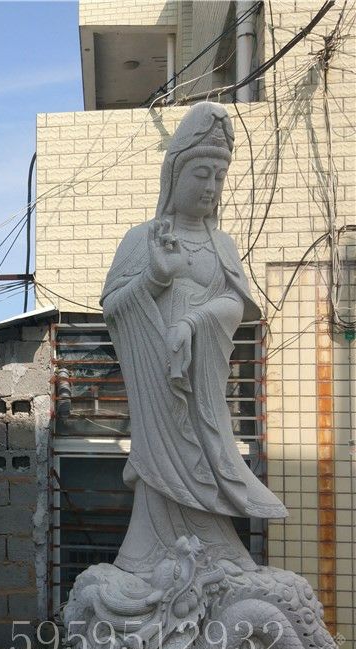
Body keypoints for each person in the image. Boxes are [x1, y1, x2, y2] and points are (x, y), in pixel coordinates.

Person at [100, 102, 286, 576]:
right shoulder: (142, 239)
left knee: (208, 455)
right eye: (201, 173)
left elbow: (236, 305)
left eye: (219, 177)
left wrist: (193, 321)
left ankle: (216, 547)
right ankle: (147, 554)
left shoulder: (223, 245)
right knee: (162, 464)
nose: (210, 187)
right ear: (174, 175)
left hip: (201, 381)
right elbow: (114, 309)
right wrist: (155, 279)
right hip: (160, 383)